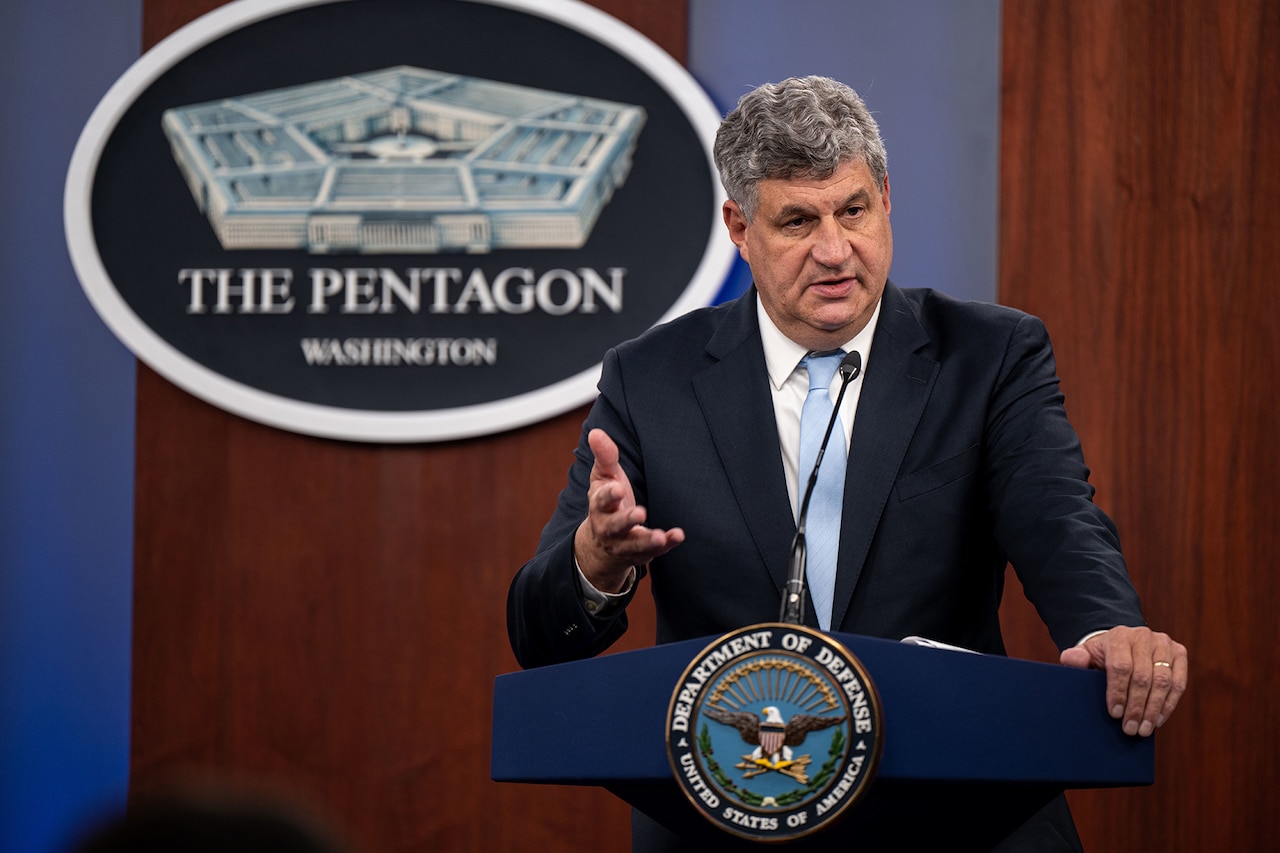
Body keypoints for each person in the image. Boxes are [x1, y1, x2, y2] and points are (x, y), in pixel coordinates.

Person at [506, 76, 1187, 850]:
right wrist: (595, 563)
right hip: (728, 812)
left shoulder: (988, 355)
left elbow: (1057, 517)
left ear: (886, 199)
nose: (836, 252)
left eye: (853, 210)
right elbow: (540, 635)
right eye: (798, 220)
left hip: (957, 807)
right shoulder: (650, 379)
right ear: (740, 225)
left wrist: (1109, 625)